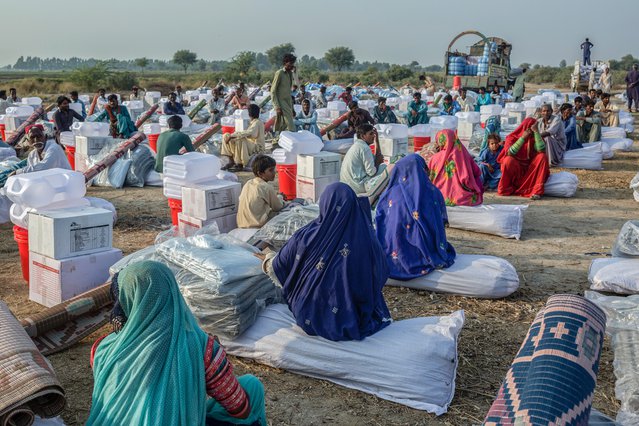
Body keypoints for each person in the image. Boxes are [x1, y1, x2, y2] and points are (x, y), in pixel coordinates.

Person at [86, 261, 266, 426]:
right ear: (173, 292)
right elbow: (240, 409)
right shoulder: (202, 349)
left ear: (125, 298)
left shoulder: (102, 349)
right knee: (252, 385)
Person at [260, 182, 391, 342]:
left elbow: (278, 267)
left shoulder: (306, 236)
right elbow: (382, 272)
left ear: (324, 204)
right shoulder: (368, 238)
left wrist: (266, 259)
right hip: (354, 316)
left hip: (307, 311)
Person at [375, 154, 456, 279]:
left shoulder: (388, 194)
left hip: (392, 250)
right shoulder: (433, 192)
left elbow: (380, 221)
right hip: (424, 251)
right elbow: (439, 223)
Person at [497, 118, 550, 200]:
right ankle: (508, 188)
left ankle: (535, 191)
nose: (530, 131)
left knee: (542, 157)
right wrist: (522, 138)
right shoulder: (511, 137)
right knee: (508, 160)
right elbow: (510, 152)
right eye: (529, 128)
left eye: (533, 128)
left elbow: (541, 150)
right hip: (517, 171)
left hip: (530, 171)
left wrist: (536, 132)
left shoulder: (535, 138)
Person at [428, 129, 483, 206]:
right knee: (477, 179)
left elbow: (430, 178)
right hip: (462, 197)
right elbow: (477, 172)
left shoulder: (434, 158)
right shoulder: (463, 155)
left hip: (438, 196)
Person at [237, 154, 284, 228]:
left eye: (274, 169)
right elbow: (278, 207)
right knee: (289, 211)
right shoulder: (266, 187)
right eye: (271, 170)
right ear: (260, 173)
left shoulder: (248, 183)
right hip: (256, 226)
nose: (274, 172)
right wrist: (281, 197)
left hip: (241, 224)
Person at [340, 123, 386, 194]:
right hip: (356, 186)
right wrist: (377, 163)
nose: (373, 136)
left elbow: (378, 156)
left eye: (374, 134)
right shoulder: (364, 148)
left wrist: (376, 140)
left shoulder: (358, 145)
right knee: (385, 168)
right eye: (371, 134)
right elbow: (371, 172)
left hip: (347, 184)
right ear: (362, 136)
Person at [221, 104, 264, 171]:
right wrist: (231, 136)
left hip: (257, 147)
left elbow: (250, 133)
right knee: (226, 135)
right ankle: (231, 160)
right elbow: (243, 132)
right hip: (250, 145)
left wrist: (233, 136)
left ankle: (239, 163)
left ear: (249, 113)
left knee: (240, 139)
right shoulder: (252, 122)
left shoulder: (257, 122)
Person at [271, 53, 297, 132]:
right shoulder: (279, 73)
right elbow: (273, 91)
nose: (291, 65)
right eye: (290, 63)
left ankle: (278, 139)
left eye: (292, 63)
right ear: (285, 63)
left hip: (288, 102)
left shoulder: (290, 74)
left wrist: (292, 108)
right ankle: (294, 138)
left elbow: (289, 93)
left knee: (283, 124)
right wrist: (276, 106)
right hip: (281, 102)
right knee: (290, 124)